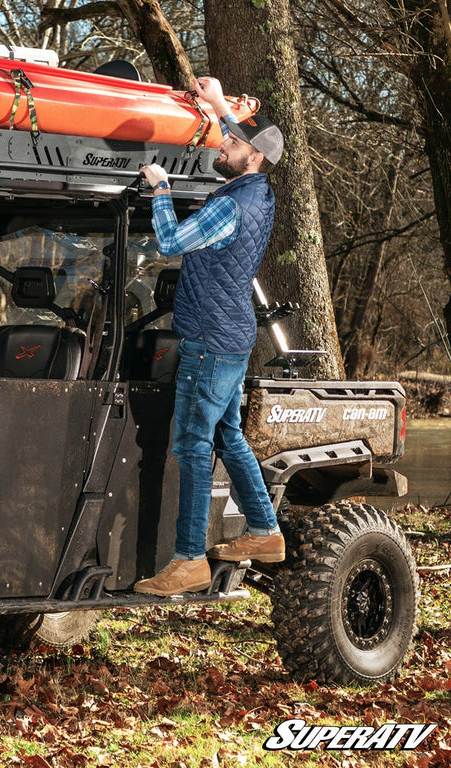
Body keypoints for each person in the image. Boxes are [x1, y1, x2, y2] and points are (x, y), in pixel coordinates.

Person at [133, 77, 286, 597]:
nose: (223, 144)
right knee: (227, 435)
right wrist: (220, 104)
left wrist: (160, 187)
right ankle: (264, 530)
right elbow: (242, 136)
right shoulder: (258, 191)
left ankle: (188, 559)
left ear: (252, 157)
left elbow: (170, 240)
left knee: (193, 445)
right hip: (233, 336)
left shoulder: (229, 206)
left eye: (231, 143)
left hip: (208, 340)